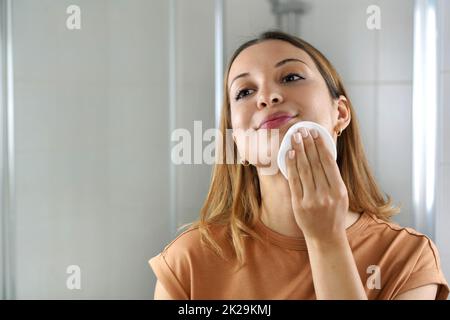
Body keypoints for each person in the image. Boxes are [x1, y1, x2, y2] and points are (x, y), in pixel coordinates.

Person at [149, 30, 449, 300]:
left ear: (340, 113)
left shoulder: (406, 259)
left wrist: (326, 240)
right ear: (236, 143)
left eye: (290, 77)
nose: (267, 96)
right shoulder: (188, 264)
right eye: (245, 92)